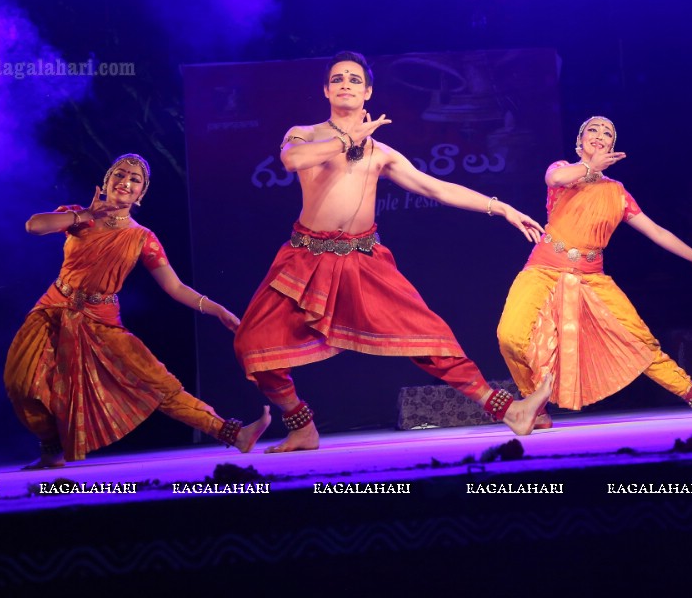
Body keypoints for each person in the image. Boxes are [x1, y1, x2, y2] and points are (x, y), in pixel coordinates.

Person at [233, 52, 553, 452]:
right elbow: (292, 160)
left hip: (363, 261)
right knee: (252, 344)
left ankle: (510, 411)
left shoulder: (380, 153)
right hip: (304, 259)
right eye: (337, 79)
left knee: (429, 337)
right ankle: (301, 426)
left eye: (354, 79)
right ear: (326, 90)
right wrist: (350, 137)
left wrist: (501, 207)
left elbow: (435, 187)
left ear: (368, 91)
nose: (345, 83)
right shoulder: (305, 133)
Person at [4, 153, 270, 468]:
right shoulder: (79, 217)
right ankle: (51, 449)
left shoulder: (142, 238)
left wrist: (216, 309)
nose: (126, 183)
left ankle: (233, 434)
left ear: (141, 193)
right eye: (120, 175)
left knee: (158, 384)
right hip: (53, 310)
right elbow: (34, 226)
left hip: (102, 321)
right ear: (106, 182)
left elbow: (175, 287)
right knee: (20, 383)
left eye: (135, 180)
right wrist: (85, 214)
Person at [496, 116, 692, 427]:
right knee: (509, 336)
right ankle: (534, 409)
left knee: (639, 341)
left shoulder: (617, 192)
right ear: (580, 142)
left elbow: (656, 231)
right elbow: (554, 180)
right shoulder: (563, 170)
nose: (599, 135)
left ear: (612, 147)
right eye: (592, 130)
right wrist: (591, 166)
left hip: (592, 279)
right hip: (543, 269)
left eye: (607, 133)